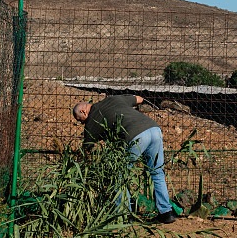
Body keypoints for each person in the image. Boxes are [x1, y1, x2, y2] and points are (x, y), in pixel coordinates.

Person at [72, 94, 176, 224]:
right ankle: (166, 213)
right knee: (157, 172)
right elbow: (139, 98)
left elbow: (85, 151)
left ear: (84, 111)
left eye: (79, 119)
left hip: (136, 135)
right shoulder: (112, 99)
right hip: (154, 129)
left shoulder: (92, 121)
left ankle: (124, 214)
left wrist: (79, 167)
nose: (81, 123)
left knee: (118, 176)